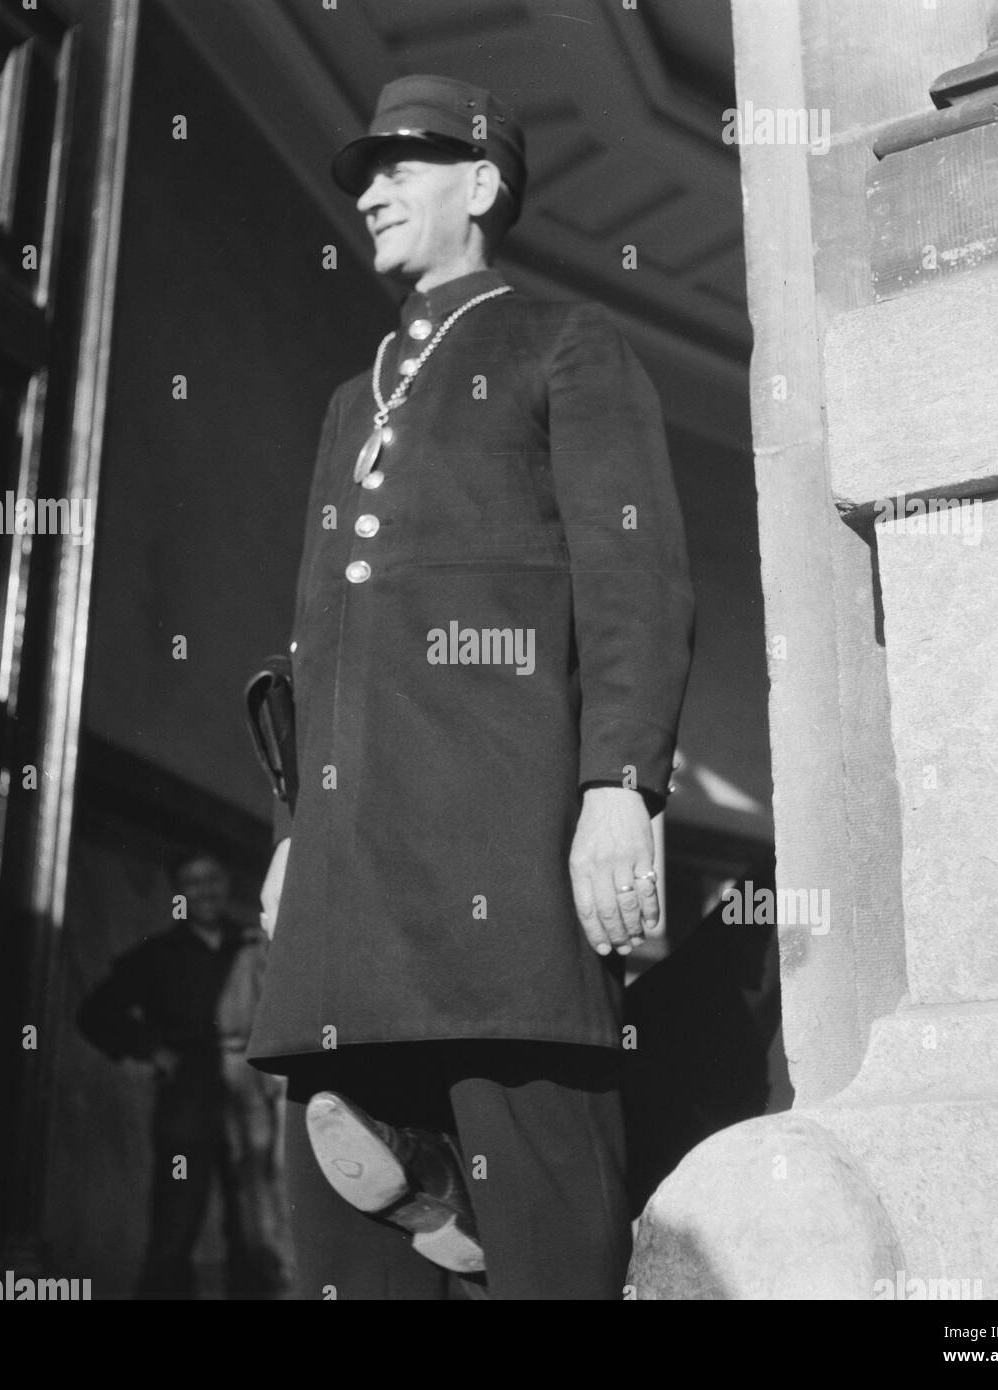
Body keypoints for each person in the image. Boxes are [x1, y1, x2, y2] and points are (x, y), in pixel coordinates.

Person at [247, 75, 694, 1300]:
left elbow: (633, 578)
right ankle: (437, 1201)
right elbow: (320, 635)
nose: (374, 192)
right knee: (352, 1230)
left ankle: (477, 1217)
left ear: (484, 186)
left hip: (504, 859)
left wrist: (620, 785)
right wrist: (295, 831)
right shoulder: (353, 401)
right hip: (356, 867)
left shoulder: (567, 343)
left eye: (404, 167)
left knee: (551, 1221)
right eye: (365, 175)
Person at [77, 848, 284, 1298]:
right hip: (187, 1106)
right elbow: (94, 1013)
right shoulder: (158, 954)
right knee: (175, 1225)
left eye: (213, 878)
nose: (205, 890)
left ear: (227, 883)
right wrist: (151, 1049)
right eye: (193, 882)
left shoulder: (249, 944)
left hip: (247, 1102)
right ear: (178, 892)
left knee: (252, 1227)